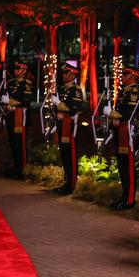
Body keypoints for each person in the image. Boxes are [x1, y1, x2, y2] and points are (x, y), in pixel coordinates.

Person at [108, 66, 139, 210]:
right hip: (120, 132)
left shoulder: (134, 92)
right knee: (122, 166)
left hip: (128, 132)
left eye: (125, 74)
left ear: (133, 77)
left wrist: (113, 114)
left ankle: (129, 200)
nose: (122, 76)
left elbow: (128, 112)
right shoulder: (123, 91)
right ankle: (124, 196)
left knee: (127, 166)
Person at [53, 63, 83, 195]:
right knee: (64, 155)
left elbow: (73, 109)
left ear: (73, 74)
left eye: (66, 73)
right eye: (63, 73)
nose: (64, 75)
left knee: (70, 155)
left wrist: (59, 104)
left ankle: (71, 184)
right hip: (61, 124)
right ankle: (66, 181)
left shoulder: (75, 90)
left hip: (69, 126)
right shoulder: (62, 89)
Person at [1, 62, 33, 179]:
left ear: (24, 70)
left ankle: (22, 169)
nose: (15, 71)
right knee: (13, 143)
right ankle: (15, 167)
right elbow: (3, 99)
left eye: (18, 69)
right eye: (15, 69)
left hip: (20, 118)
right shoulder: (10, 83)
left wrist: (9, 102)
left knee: (21, 144)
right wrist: (4, 103)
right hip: (10, 117)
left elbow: (25, 101)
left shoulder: (27, 84)